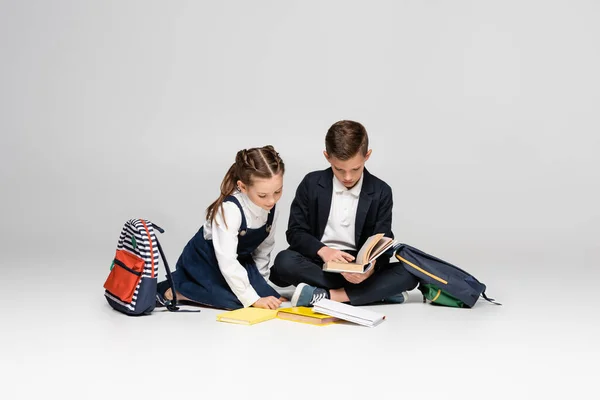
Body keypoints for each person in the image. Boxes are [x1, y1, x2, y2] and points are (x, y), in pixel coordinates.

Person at [270, 120, 418, 307]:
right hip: (318, 261)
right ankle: (375, 293)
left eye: (355, 169)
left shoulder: (381, 191)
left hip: (358, 265)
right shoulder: (311, 183)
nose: (347, 177)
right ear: (327, 157)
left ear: (367, 156)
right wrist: (325, 252)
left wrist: (369, 270)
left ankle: (328, 295)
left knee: (410, 271)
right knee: (284, 261)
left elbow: (383, 240)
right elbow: (295, 232)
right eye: (339, 169)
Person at [157, 145, 287, 310]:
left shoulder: (272, 209)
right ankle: (177, 290)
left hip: (240, 259)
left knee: (265, 296)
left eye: (278, 192)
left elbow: (264, 249)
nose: (271, 201)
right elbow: (227, 260)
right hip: (206, 260)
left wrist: (261, 287)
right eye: (262, 195)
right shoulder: (230, 210)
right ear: (243, 187)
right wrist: (252, 298)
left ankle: (240, 291)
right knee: (237, 302)